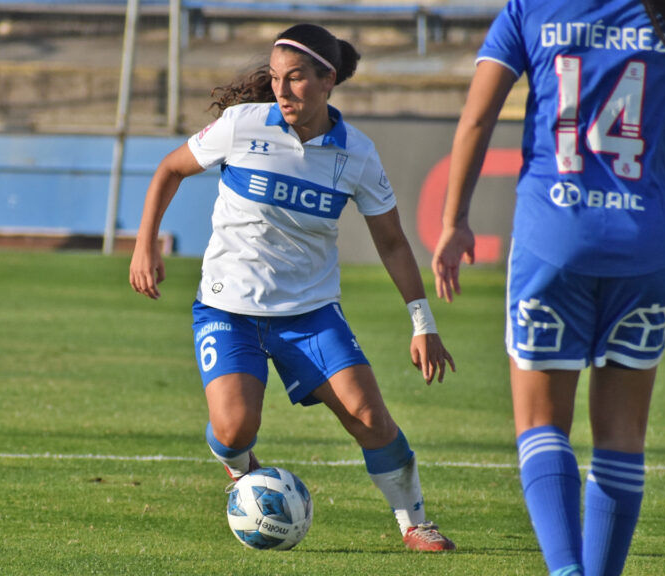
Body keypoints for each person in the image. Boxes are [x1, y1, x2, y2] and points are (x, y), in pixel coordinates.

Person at [431, 0, 665, 574]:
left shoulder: (529, 10)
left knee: (541, 423)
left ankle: (567, 569)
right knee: (623, 433)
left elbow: (477, 118)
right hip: (643, 245)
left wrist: (454, 221)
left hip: (554, 238)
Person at [130, 23, 457, 552]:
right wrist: (144, 245)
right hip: (227, 310)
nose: (282, 90)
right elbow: (169, 169)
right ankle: (243, 474)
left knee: (370, 419)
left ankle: (415, 523)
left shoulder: (357, 155)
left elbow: (394, 243)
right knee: (234, 431)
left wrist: (423, 324)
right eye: (277, 78)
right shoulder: (241, 125)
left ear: (328, 80)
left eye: (297, 78)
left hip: (309, 314)